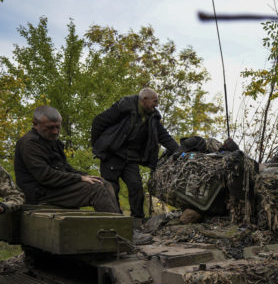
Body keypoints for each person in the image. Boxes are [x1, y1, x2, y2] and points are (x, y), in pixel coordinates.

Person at [91, 88, 179, 219]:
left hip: (131, 158)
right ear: (144, 100)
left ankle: (138, 220)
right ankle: (114, 219)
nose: (157, 105)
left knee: (136, 186)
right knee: (111, 188)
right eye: (155, 101)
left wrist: (179, 151)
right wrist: (100, 145)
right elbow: (98, 122)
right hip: (112, 155)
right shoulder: (123, 108)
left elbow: (164, 136)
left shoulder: (153, 117)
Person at [14, 106, 119, 213]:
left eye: (58, 127)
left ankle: (120, 222)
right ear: (35, 124)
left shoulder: (52, 142)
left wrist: (84, 176)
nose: (55, 131)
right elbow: (45, 176)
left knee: (103, 182)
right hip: (39, 193)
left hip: (53, 189)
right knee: (96, 189)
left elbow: (65, 167)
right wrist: (79, 178)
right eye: (50, 127)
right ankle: (115, 226)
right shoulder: (29, 144)